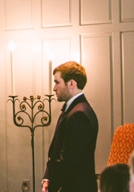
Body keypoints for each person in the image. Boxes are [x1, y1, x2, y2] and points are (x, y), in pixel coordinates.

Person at [42, 61, 98, 192]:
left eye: (57, 82)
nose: (54, 88)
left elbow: (68, 162)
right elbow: (55, 152)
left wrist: (52, 187)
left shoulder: (79, 115)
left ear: (71, 83)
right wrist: (47, 178)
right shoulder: (72, 110)